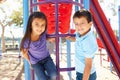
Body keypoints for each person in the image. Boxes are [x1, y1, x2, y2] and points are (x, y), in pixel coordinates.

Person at [20, 12, 57, 80]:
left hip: (46, 58)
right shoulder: (26, 41)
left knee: (54, 74)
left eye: (43, 25)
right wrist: (29, 61)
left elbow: (45, 37)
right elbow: (24, 53)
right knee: (42, 78)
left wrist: (49, 39)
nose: (40, 27)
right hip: (35, 62)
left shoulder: (43, 33)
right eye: (37, 24)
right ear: (31, 25)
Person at [66, 9, 98, 80]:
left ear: (90, 24)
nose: (79, 26)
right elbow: (78, 40)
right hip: (81, 72)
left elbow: (88, 65)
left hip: (87, 75)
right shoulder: (81, 33)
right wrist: (72, 39)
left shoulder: (88, 42)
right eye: (76, 24)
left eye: (82, 23)